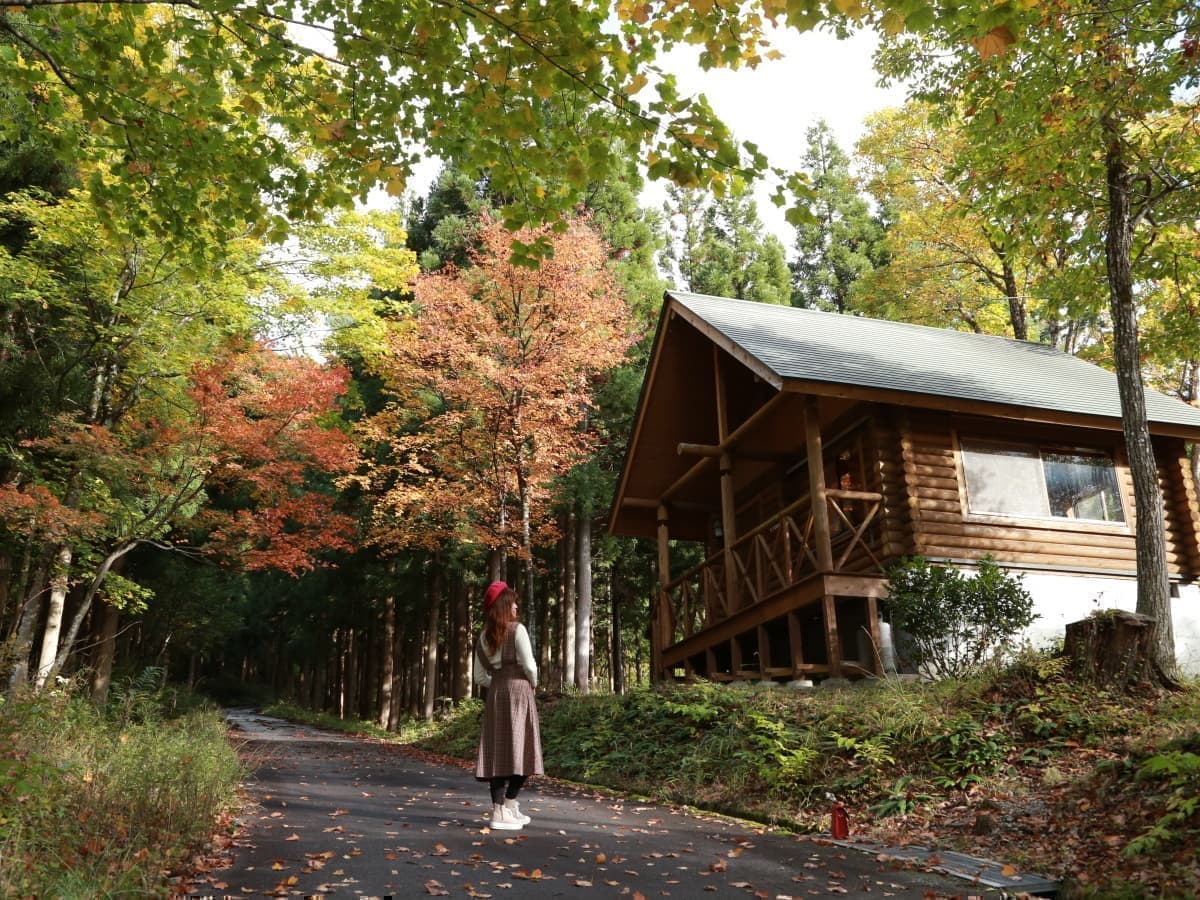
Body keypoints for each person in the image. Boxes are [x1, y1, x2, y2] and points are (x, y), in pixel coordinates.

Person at [473, 580, 543, 831]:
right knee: (525, 748)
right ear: (504, 605)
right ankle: (506, 806)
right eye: (512, 601)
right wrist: (533, 684)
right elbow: (530, 665)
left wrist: (497, 682)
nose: (516, 605)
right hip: (519, 691)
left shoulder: (483, 637)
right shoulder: (517, 630)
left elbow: (479, 677)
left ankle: (504, 808)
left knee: (498, 751)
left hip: (496, 694)